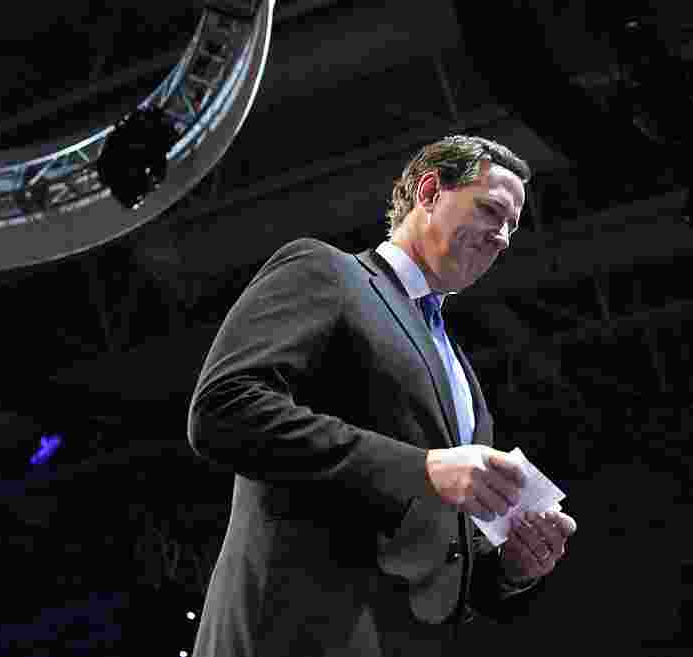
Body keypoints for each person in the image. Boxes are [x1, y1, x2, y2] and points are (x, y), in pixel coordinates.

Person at [187, 135, 578, 656]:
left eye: (513, 225)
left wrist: (510, 568)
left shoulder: (461, 372)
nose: (504, 237)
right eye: (491, 210)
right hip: (293, 635)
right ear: (430, 192)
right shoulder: (328, 272)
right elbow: (225, 409)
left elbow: (441, 551)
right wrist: (423, 468)